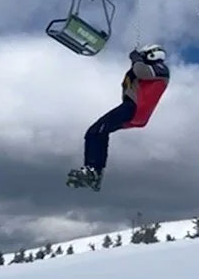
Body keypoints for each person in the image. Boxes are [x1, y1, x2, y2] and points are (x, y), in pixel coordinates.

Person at [67, 44, 170, 191]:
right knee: (98, 132)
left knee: (96, 131)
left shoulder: (161, 68)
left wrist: (136, 59)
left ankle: (93, 169)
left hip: (133, 108)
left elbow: (141, 71)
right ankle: (95, 172)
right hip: (135, 111)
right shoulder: (149, 70)